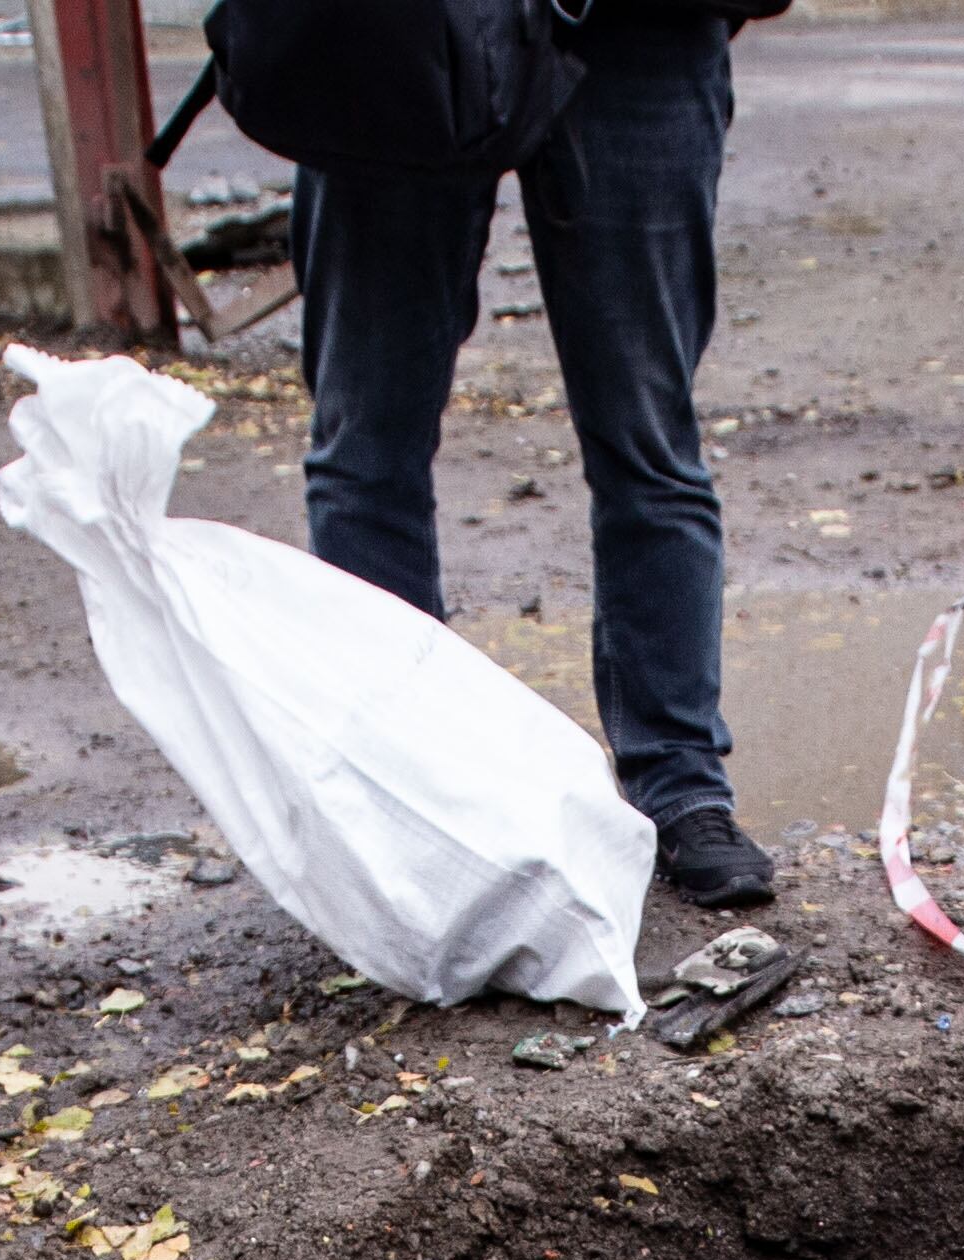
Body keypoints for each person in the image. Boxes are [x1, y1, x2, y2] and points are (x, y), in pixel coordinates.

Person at [295, 0, 785, 910]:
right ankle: (397, 796)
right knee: (368, 442)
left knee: (649, 440)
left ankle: (680, 787)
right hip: (400, 34)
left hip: (639, 36)